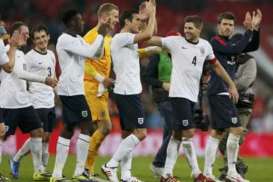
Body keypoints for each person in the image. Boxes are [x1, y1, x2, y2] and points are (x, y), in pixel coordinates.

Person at [146, 15, 239, 182]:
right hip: (178, 94)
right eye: (185, 28)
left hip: (192, 95)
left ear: (199, 29)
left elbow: (217, 66)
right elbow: (150, 40)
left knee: (178, 134)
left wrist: (231, 84)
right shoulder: (176, 42)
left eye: (190, 28)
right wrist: (148, 22)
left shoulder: (205, 46)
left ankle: (168, 175)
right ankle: (183, 173)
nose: (186, 31)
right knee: (187, 132)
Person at [50, 9, 109, 182]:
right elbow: (91, 53)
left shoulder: (78, 39)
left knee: (69, 128)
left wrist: (100, 38)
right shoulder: (65, 39)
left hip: (75, 89)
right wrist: (100, 33)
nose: (82, 22)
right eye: (79, 20)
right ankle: (80, 173)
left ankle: (57, 174)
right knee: (88, 126)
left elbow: (96, 54)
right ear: (70, 23)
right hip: (70, 89)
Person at [101, 1, 157, 181]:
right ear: (127, 21)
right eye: (137, 20)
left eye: (141, 21)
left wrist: (149, 14)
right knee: (141, 133)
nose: (140, 23)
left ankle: (126, 176)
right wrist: (152, 11)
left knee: (127, 134)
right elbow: (148, 33)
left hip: (128, 91)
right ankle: (110, 165)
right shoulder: (121, 37)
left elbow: (150, 33)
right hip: (127, 93)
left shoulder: (129, 39)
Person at [203, 10, 261, 182]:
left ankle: (207, 173)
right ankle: (232, 171)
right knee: (236, 129)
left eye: (230, 25)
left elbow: (253, 46)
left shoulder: (232, 43)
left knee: (217, 133)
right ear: (219, 25)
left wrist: (255, 28)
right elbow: (236, 48)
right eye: (225, 24)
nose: (228, 27)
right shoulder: (215, 42)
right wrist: (248, 30)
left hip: (220, 91)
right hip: (219, 90)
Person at [0, 21, 57, 181]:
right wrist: (44, 79)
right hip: (9, 102)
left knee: (38, 132)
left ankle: (38, 170)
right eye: (25, 33)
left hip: (24, 102)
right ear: (16, 34)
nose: (27, 36)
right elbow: (19, 73)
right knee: (2, 136)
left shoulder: (19, 53)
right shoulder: (5, 51)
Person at [82, 3, 119, 179]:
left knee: (95, 131)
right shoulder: (91, 36)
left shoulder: (108, 38)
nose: (117, 20)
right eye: (115, 16)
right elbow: (84, 64)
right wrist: (101, 79)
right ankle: (85, 170)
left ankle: (87, 171)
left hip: (102, 90)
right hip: (91, 87)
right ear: (104, 17)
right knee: (105, 127)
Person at [218, 52, 257, 180]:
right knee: (223, 143)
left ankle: (229, 171)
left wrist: (228, 84)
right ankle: (238, 167)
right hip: (229, 104)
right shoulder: (228, 58)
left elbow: (246, 81)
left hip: (243, 105)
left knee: (234, 138)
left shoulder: (249, 61)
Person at [0, 22, 23, 182]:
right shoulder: (4, 46)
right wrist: (13, 48)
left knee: (1, 133)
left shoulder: (1, 46)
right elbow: (9, 67)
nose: (3, 30)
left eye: (3, 27)